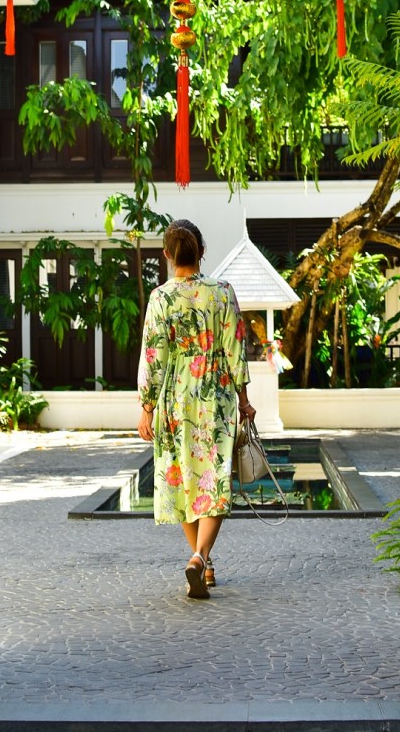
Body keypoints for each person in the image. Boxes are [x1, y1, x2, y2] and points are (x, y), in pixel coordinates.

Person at [137, 219, 255, 599]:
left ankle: (202, 561)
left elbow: (153, 356)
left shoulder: (160, 298)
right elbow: (236, 350)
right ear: (201, 251)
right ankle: (201, 559)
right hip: (215, 395)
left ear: (167, 255)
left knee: (184, 479)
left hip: (175, 396)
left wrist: (146, 407)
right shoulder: (222, 293)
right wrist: (244, 400)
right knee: (213, 476)